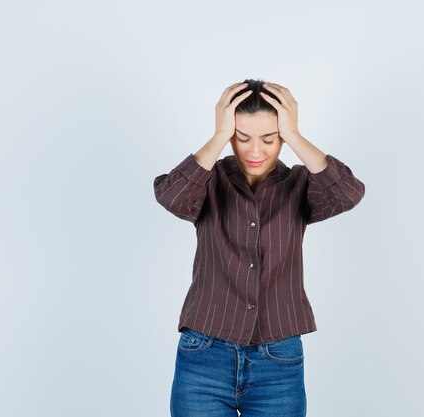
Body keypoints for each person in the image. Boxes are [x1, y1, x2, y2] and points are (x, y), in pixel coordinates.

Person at [153, 79, 365, 417]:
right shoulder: (208, 180)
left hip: (278, 362)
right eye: (242, 137)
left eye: (269, 139)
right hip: (204, 356)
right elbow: (170, 197)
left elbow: (349, 193)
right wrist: (219, 135)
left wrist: (294, 136)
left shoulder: (300, 185)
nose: (255, 151)